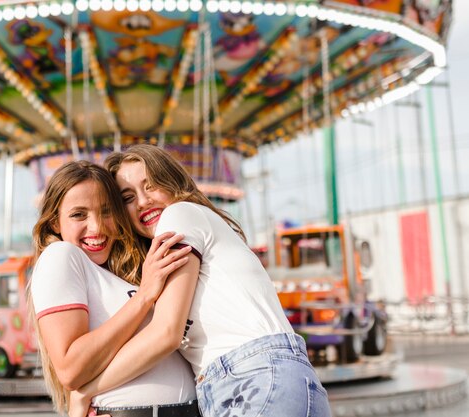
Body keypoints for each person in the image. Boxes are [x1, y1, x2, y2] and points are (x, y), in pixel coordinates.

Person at [70, 144, 331, 417]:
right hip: (263, 380)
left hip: (253, 377)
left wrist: (87, 390)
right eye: (127, 197)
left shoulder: (180, 214)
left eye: (151, 185)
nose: (143, 201)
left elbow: (165, 334)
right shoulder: (172, 255)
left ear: (173, 182)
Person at [28, 160, 200, 416]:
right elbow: (70, 368)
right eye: (78, 214)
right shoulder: (61, 255)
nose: (97, 227)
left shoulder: (114, 275)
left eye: (107, 212)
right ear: (54, 222)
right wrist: (143, 296)